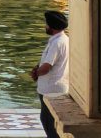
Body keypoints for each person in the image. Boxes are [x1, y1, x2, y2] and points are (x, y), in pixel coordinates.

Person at [31, 10, 69, 138]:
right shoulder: (63, 40)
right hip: (56, 87)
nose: (45, 26)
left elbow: (47, 67)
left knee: (49, 123)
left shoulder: (57, 43)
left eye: (46, 24)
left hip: (51, 89)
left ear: (52, 26)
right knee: (51, 122)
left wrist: (36, 73)